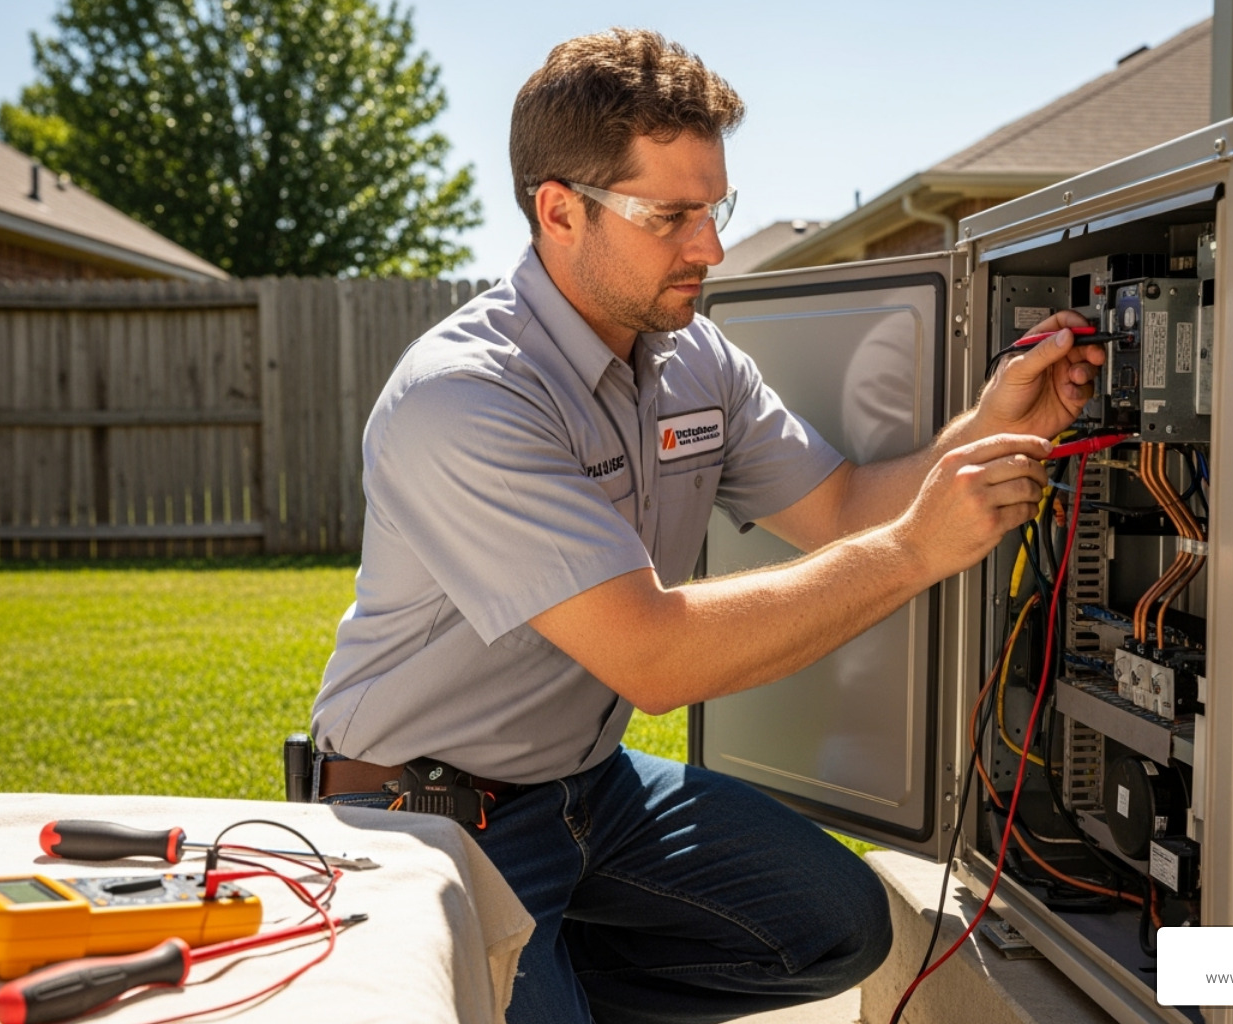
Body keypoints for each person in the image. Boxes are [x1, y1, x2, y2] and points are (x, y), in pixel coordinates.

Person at [310, 28, 1103, 1024]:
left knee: (837, 924)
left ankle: (544, 985)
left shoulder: (694, 361)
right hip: (429, 815)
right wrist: (911, 554)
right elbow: (655, 658)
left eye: (714, 206)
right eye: (670, 215)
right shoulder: (467, 398)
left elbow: (841, 506)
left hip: (588, 789)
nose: (712, 248)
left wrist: (994, 427)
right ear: (559, 210)